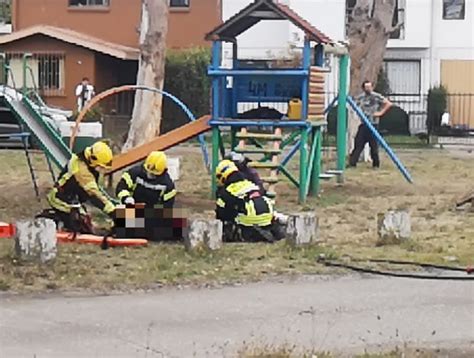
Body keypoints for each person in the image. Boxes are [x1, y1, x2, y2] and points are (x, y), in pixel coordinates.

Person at [46, 141, 117, 232]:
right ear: (93, 159)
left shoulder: (87, 160)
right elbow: (94, 194)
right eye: (100, 167)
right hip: (60, 199)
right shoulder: (82, 171)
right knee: (81, 228)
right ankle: (55, 221)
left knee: (86, 223)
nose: (102, 170)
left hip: (73, 199)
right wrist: (113, 212)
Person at [215, 159, 283, 243]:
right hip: (268, 221)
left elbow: (221, 214)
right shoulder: (250, 184)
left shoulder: (226, 192)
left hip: (249, 227)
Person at [349, 80, 392, 168]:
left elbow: (388, 103)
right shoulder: (361, 97)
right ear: (363, 88)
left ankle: (376, 164)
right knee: (358, 144)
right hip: (363, 124)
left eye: (369, 87)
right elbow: (353, 104)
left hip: (373, 125)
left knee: (373, 146)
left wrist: (380, 113)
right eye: (366, 87)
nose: (368, 89)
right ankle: (352, 163)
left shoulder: (376, 96)